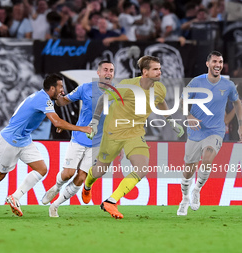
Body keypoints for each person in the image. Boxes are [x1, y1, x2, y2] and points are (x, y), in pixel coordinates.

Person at [82, 55, 184, 219]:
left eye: (160, 68)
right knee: (100, 170)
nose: (160, 72)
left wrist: (171, 121)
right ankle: (88, 184)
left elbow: (160, 101)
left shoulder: (159, 88)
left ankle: (111, 201)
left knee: (142, 168)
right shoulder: (127, 86)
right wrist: (94, 122)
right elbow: (103, 98)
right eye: (155, 69)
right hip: (114, 131)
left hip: (135, 132)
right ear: (145, 72)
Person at [0, 73, 92, 219]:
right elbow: (57, 121)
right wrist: (82, 128)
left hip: (24, 140)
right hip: (10, 139)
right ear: (52, 88)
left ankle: (15, 197)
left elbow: (46, 117)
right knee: (0, 174)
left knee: (41, 169)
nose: (63, 91)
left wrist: (59, 124)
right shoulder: (42, 99)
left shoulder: (43, 99)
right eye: (60, 87)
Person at [41, 61, 115, 217]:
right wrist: (56, 96)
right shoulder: (85, 88)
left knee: (81, 177)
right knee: (68, 173)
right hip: (79, 138)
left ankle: (55, 205)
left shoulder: (118, 94)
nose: (109, 73)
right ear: (99, 73)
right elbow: (63, 102)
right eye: (106, 70)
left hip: (98, 143)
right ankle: (56, 187)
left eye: (111, 71)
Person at [177, 51, 242, 216]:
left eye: (220, 62)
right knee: (188, 169)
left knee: (207, 158)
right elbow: (183, 101)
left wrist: (240, 125)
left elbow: (237, 102)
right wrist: (189, 116)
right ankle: (184, 198)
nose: (217, 65)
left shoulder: (227, 85)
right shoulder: (196, 82)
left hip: (216, 131)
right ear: (208, 64)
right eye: (214, 61)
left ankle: (197, 190)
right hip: (195, 131)